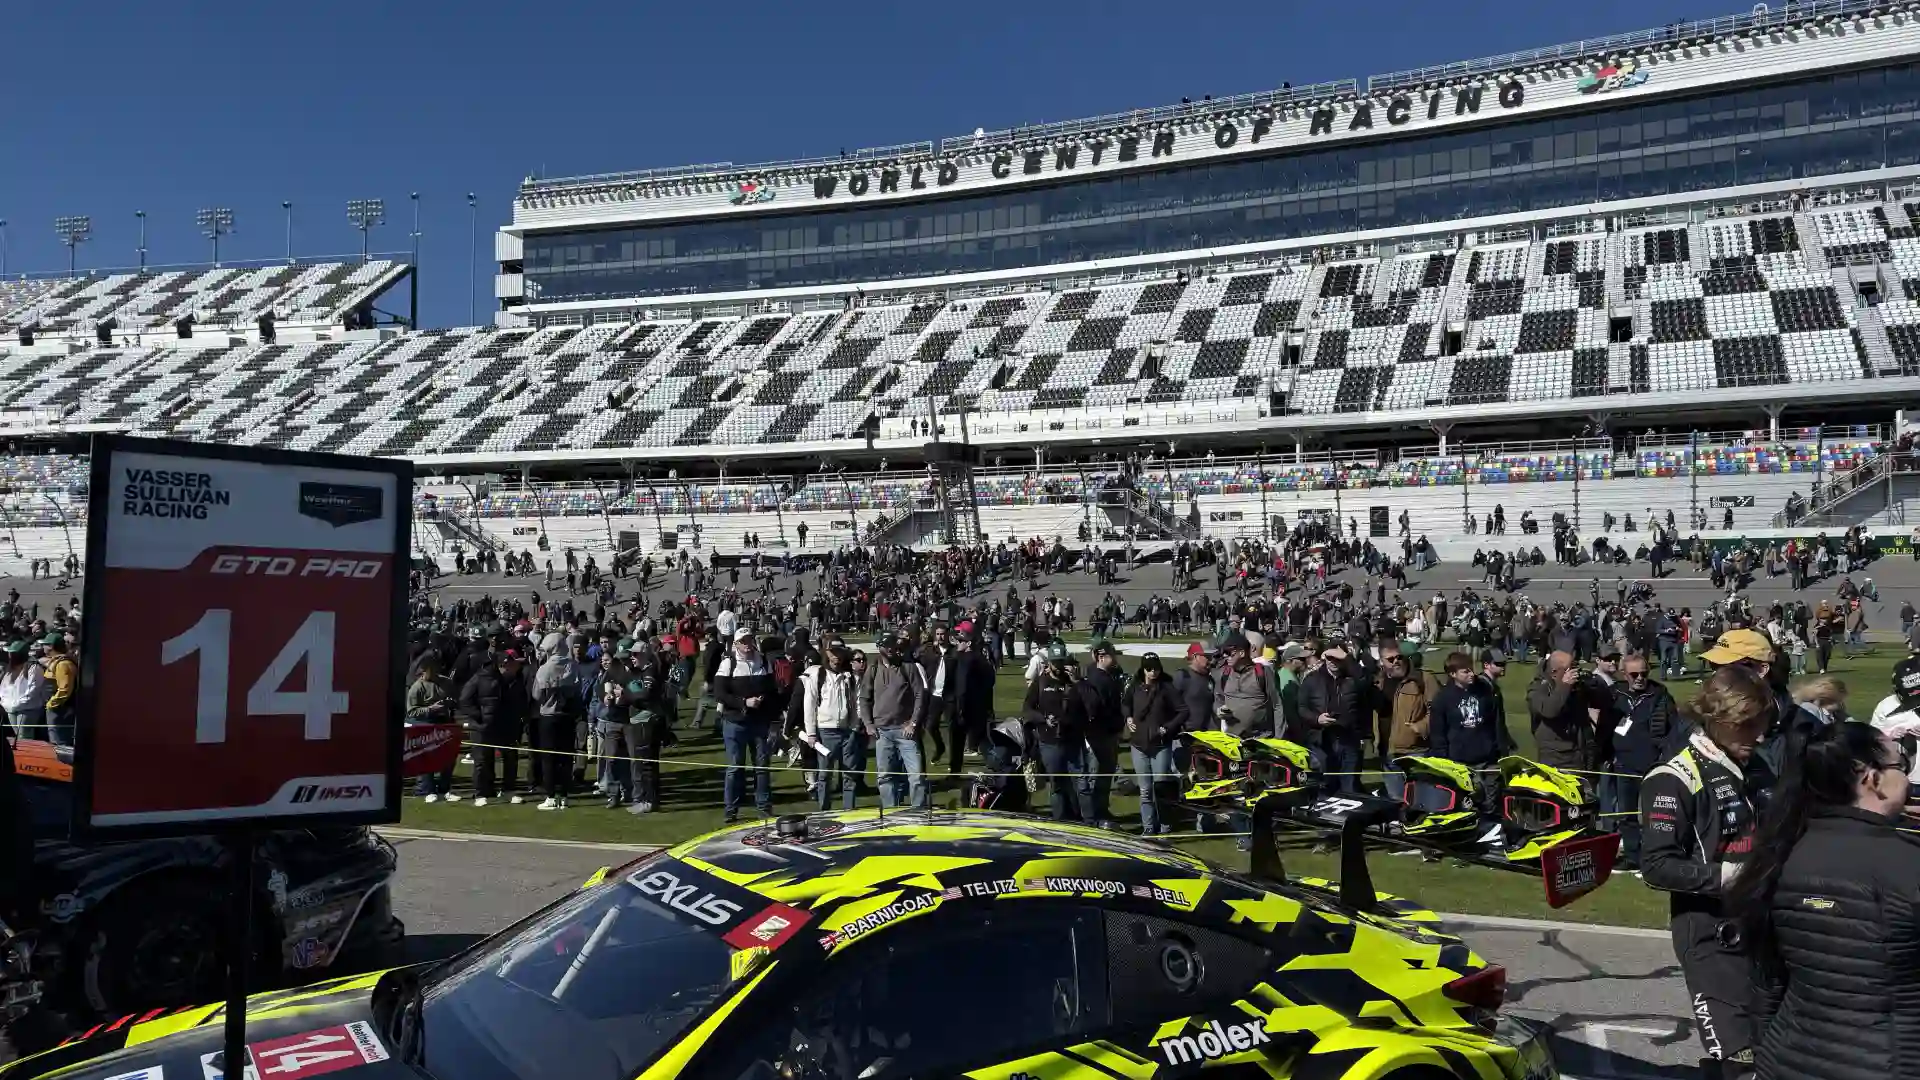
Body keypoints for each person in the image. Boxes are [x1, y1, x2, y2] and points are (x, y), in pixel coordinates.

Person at [1727, 721, 1920, 1080]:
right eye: (1902, 765)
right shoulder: (1906, 863)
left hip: (1787, 1059)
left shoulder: (1779, 854)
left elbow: (1767, 985)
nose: (1908, 778)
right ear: (1871, 778)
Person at [1639, 664, 1770, 1076]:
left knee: (1776, 1050)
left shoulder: (1759, 765)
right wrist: (1728, 876)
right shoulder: (1673, 778)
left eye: (1762, 724)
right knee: (1740, 1060)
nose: (1759, 735)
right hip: (1711, 931)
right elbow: (1656, 867)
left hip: (1765, 923)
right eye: (1748, 726)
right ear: (1720, 720)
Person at [1608, 652, 1678, 872]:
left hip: (1651, 765)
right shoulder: (1614, 694)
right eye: (1634, 674)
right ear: (1623, 674)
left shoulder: (1660, 695)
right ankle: (1632, 856)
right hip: (1622, 764)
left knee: (1654, 816)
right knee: (1626, 814)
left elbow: (1673, 730)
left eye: (1644, 673)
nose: (1639, 678)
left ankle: (1655, 857)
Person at [713, 626, 781, 822]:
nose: (748, 644)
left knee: (762, 766)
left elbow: (772, 691)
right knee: (735, 767)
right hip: (735, 722)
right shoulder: (728, 663)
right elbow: (720, 693)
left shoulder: (764, 661)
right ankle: (731, 810)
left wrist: (771, 714)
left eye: (750, 640)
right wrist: (744, 703)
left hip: (760, 722)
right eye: (743, 641)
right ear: (736, 644)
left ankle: (764, 807)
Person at [862, 633, 929, 810]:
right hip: (881, 732)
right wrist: (868, 724)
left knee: (916, 775)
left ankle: (918, 811)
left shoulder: (908, 667)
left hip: (905, 730)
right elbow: (864, 698)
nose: (891, 648)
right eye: (887, 645)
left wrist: (913, 722)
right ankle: (891, 812)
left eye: (893, 644)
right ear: (879, 648)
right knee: (884, 776)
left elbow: (920, 695)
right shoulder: (872, 669)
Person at [1023, 639, 1088, 820]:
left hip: (1074, 740)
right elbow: (1027, 709)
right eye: (1055, 663)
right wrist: (1044, 720)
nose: (1059, 667)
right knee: (1057, 784)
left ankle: (1083, 819)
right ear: (1049, 663)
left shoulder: (1074, 682)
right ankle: (1060, 819)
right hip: (1049, 741)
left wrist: (1078, 682)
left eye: (1061, 663)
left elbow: (1089, 706)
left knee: (1080, 783)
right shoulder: (1040, 683)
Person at [463, 648, 531, 806]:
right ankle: (482, 793)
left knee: (511, 758)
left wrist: (519, 716)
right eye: (516, 663)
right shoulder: (481, 677)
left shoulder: (516, 679)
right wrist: (479, 717)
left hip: (507, 725)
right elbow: (465, 699)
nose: (519, 667)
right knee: (482, 760)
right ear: (505, 664)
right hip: (483, 726)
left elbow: (521, 701)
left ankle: (508, 790)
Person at [1126, 653, 1182, 836]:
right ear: (1142, 669)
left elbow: (1183, 711)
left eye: (1156, 668)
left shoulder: (1167, 688)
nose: (1153, 672)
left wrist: (1168, 728)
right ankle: (1148, 827)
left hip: (1160, 746)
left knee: (1161, 788)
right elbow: (1125, 704)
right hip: (1138, 746)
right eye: (1149, 669)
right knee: (1145, 790)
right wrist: (1127, 717)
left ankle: (1165, 825)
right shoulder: (1134, 686)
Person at [802, 644, 862, 810]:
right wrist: (811, 733)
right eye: (833, 653)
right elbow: (809, 704)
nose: (836, 657)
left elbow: (857, 703)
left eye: (840, 653)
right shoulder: (817, 674)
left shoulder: (850, 676)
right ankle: (824, 810)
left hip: (847, 731)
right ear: (826, 653)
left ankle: (849, 810)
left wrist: (855, 727)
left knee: (849, 773)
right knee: (825, 774)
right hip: (825, 731)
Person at [1429, 650, 1509, 768]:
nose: (1471, 674)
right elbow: (1438, 734)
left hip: (1487, 759)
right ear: (1453, 674)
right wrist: (1443, 759)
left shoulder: (1485, 690)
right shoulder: (1442, 698)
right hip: (1457, 762)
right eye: (1466, 672)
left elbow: (1496, 722)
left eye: (1472, 669)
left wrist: (1500, 749)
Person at [1078, 640, 1127, 828]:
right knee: (1097, 775)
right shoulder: (1098, 679)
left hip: (1108, 733)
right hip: (1100, 734)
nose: (1114, 658)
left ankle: (1100, 810)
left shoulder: (1105, 676)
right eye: (1111, 655)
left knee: (1104, 776)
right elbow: (1097, 708)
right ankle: (1092, 815)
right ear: (1101, 657)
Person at [1375, 643, 1428, 800]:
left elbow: (1437, 710)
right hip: (1386, 749)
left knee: (1420, 798)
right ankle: (1397, 822)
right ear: (1382, 662)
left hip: (1414, 750)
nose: (1396, 661)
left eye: (1399, 657)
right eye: (1390, 659)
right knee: (1395, 798)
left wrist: (1421, 727)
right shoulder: (1377, 681)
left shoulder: (1422, 679)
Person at [1527, 650, 1596, 771]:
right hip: (1556, 758)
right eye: (1569, 669)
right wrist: (1564, 685)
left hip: (1581, 752)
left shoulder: (1575, 687)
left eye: (1575, 667)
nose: (1574, 673)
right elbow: (1550, 710)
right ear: (1554, 672)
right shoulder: (1539, 688)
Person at [407, 655, 458, 802]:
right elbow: (412, 712)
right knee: (427, 757)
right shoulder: (417, 687)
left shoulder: (446, 682)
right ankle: (426, 789)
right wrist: (430, 709)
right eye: (430, 671)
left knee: (448, 757)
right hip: (425, 724)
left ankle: (444, 788)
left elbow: (456, 699)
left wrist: (450, 703)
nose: (433, 674)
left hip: (445, 722)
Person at [39, 633, 75, 746]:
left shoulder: (63, 664)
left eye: (44, 644)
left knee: (59, 741)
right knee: (53, 740)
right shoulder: (56, 661)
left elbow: (65, 689)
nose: (42, 647)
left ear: (51, 646)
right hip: (55, 709)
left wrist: (51, 704)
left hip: (60, 710)